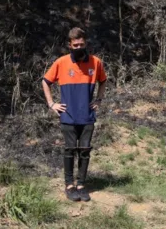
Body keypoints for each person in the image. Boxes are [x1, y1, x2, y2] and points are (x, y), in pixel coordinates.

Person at [42, 27, 107, 202]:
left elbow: (103, 81)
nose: (79, 47)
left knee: (85, 151)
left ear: (86, 44)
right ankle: (69, 185)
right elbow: (45, 81)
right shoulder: (61, 62)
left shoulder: (96, 62)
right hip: (68, 115)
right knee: (70, 150)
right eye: (75, 45)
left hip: (87, 115)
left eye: (82, 44)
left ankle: (82, 185)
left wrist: (99, 100)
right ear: (70, 45)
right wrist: (52, 103)